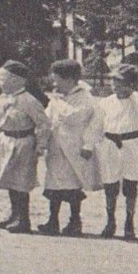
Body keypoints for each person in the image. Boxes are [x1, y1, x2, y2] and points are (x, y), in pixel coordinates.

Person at [0, 60, 50, 234]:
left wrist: (40, 146)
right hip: (6, 141)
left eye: (3, 79)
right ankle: (14, 214)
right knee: (9, 179)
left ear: (17, 80)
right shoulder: (4, 100)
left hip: (23, 144)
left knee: (21, 182)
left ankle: (24, 220)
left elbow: (43, 125)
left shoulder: (29, 101)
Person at [94, 64, 138, 240]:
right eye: (113, 82)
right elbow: (98, 124)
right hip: (110, 144)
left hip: (132, 145)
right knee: (110, 185)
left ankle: (129, 222)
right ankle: (110, 221)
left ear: (130, 84)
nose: (116, 87)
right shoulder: (106, 102)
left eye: (120, 83)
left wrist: (135, 97)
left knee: (130, 185)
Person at [39, 59, 103, 236]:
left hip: (74, 149)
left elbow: (96, 123)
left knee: (72, 184)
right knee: (53, 184)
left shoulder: (86, 99)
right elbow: (47, 120)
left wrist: (88, 144)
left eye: (57, 79)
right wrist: (42, 142)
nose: (54, 83)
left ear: (68, 79)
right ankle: (52, 221)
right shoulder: (56, 99)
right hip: (56, 148)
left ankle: (75, 222)